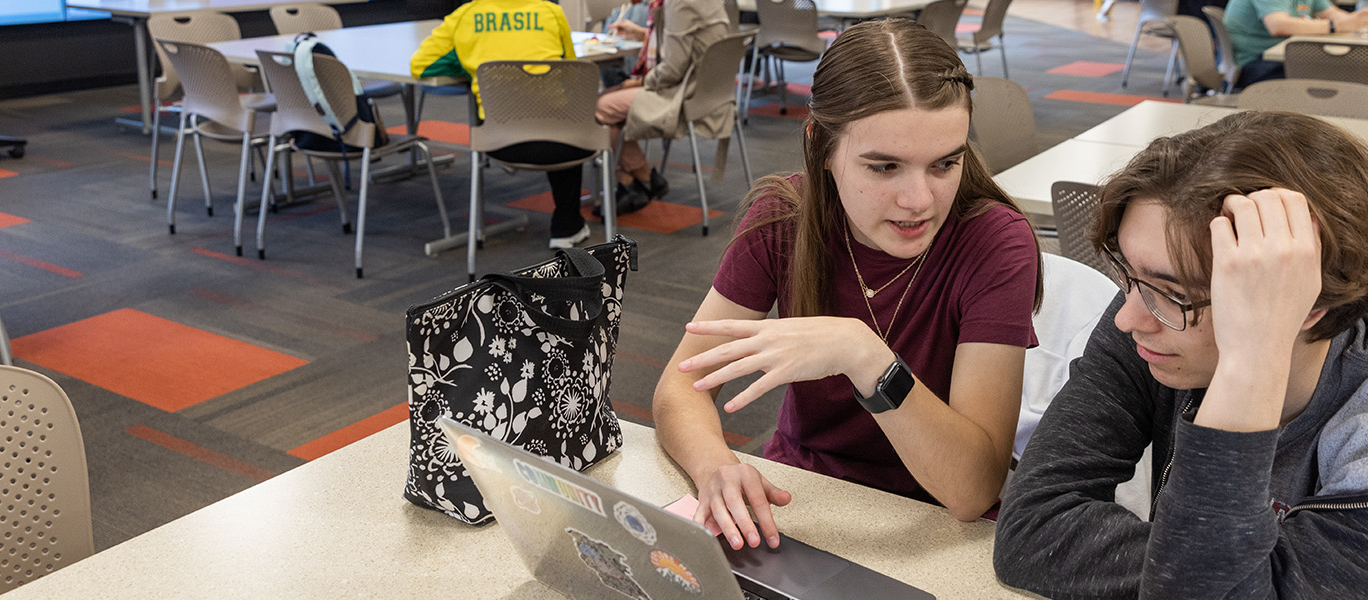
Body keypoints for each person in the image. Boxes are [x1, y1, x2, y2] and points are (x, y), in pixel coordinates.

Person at [993, 111, 1368, 599]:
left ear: (1306, 307)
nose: (1127, 318)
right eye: (1129, 276)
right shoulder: (1154, 320)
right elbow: (1032, 528)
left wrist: (1252, 361)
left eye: (1172, 293)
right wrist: (1247, 576)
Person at [651, 19, 1043, 552]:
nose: (919, 200)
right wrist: (715, 464)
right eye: (884, 167)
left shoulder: (995, 242)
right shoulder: (782, 219)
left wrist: (866, 356)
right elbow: (680, 387)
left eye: (945, 163)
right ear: (821, 145)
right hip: (802, 496)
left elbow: (972, 490)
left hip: (935, 523)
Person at [408, 0, 593, 248]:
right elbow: (570, 70)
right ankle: (566, 227)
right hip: (563, 143)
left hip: (500, 141)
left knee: (553, 121)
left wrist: (467, 61)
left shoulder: (465, 16)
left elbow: (421, 65)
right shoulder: (550, 12)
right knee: (563, 117)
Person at [594, 0, 732, 212]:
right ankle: (638, 180)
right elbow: (689, 42)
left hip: (683, 95)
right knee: (612, 97)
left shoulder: (679, 2)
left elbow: (672, 69)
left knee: (601, 106)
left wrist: (641, 82)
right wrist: (642, 34)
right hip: (707, 93)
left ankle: (639, 179)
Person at [1225, 0, 1368, 87]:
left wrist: (1366, 21)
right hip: (1254, 64)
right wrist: (1336, 25)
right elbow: (1278, 25)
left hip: (1285, 59)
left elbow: (1335, 15)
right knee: (1342, 73)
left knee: (1345, 70)